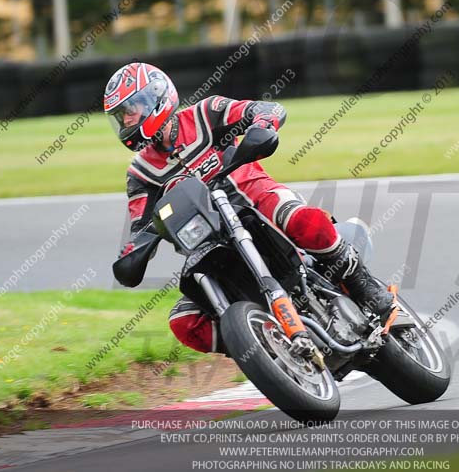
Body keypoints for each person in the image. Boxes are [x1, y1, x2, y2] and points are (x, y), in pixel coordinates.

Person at [106, 62, 395, 354]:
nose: (126, 120)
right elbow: (140, 225)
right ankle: (265, 352)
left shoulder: (206, 113)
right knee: (185, 322)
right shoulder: (140, 174)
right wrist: (134, 254)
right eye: (121, 116)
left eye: (131, 109)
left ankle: (362, 284)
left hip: (256, 198)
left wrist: (261, 126)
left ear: (156, 98)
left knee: (305, 222)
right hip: (208, 242)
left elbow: (263, 110)